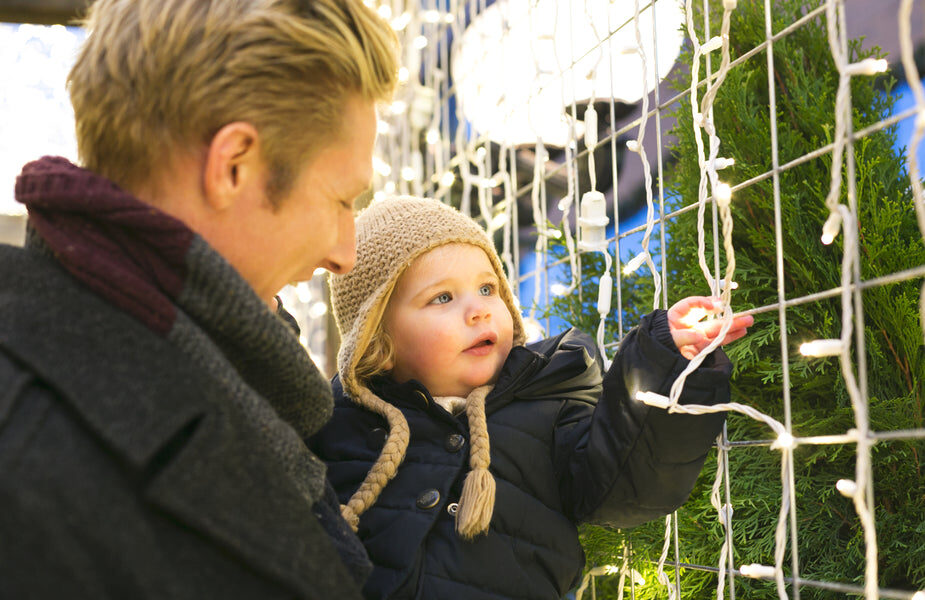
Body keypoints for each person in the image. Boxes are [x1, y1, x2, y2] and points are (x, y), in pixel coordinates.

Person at [0, 0, 398, 598]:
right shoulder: (35, 463)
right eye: (343, 200)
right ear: (233, 165)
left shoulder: (189, 378)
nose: (346, 252)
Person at [308, 196, 754, 600]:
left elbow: (628, 485)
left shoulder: (549, 398)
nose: (480, 308)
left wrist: (664, 361)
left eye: (487, 288)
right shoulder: (338, 426)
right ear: (377, 343)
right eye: (442, 297)